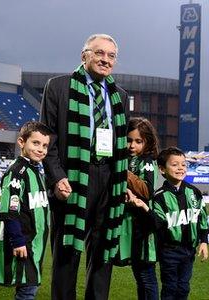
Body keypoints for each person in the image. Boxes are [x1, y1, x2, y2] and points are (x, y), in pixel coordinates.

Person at [40, 33, 129, 300]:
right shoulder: (58, 87)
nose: (105, 59)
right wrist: (57, 177)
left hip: (108, 178)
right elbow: (48, 139)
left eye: (111, 55)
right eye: (99, 53)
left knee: (103, 252)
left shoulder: (120, 96)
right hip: (72, 178)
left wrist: (121, 181)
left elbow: (120, 144)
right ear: (84, 55)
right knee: (67, 252)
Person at [127, 147, 209, 300]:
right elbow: (157, 223)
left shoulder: (194, 192)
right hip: (169, 251)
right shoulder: (159, 197)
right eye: (175, 165)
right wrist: (144, 207)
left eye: (183, 165)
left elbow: (203, 218)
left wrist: (204, 241)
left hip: (189, 250)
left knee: (184, 288)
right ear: (162, 169)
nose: (180, 168)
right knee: (170, 287)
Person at [0, 121, 53, 300]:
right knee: (27, 289)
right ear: (21, 142)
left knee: (30, 285)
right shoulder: (17, 173)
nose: (41, 149)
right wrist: (18, 241)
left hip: (35, 243)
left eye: (44, 145)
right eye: (35, 143)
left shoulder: (36, 171)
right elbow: (10, 212)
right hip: (24, 242)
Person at [123, 117, 160, 300]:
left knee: (147, 276)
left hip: (144, 226)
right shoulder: (129, 159)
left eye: (138, 141)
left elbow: (147, 190)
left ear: (148, 142)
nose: (132, 145)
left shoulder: (147, 161)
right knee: (139, 275)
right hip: (132, 224)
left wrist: (124, 172)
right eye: (129, 140)